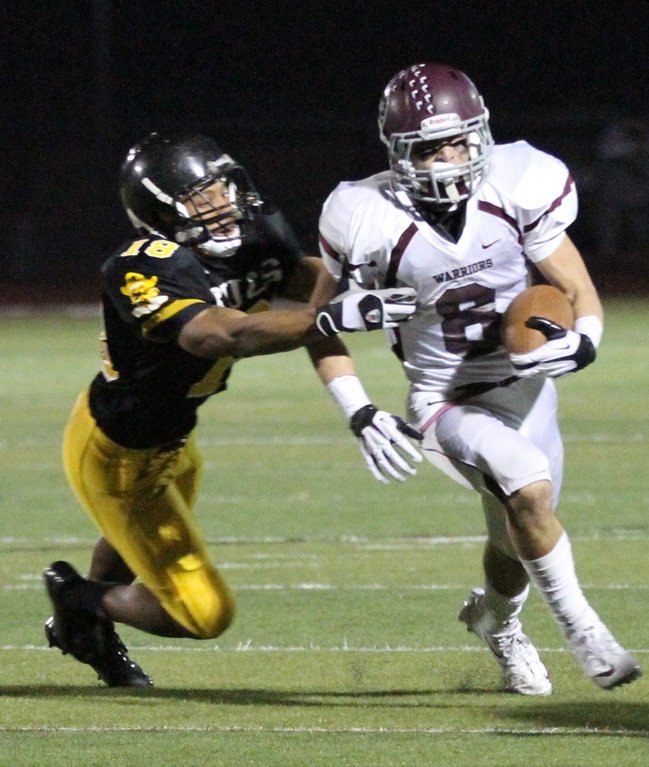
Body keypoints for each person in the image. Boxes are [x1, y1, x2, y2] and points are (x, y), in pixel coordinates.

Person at [309, 62, 641, 695]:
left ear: (482, 134)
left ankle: (496, 621)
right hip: (445, 403)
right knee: (528, 486)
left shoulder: (518, 184)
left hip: (529, 392)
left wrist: (583, 343)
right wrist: (358, 406)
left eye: (460, 142)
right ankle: (585, 631)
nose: (449, 159)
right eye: (429, 148)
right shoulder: (364, 215)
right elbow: (315, 324)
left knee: (516, 535)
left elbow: (575, 287)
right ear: (398, 153)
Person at [42, 132, 420, 687]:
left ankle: (89, 620)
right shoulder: (138, 266)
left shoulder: (254, 237)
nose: (223, 206)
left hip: (172, 441)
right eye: (202, 199)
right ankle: (81, 605)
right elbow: (218, 335)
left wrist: (357, 273)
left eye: (223, 190)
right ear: (159, 212)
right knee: (203, 615)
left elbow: (311, 294)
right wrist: (329, 315)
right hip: (118, 457)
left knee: (131, 542)